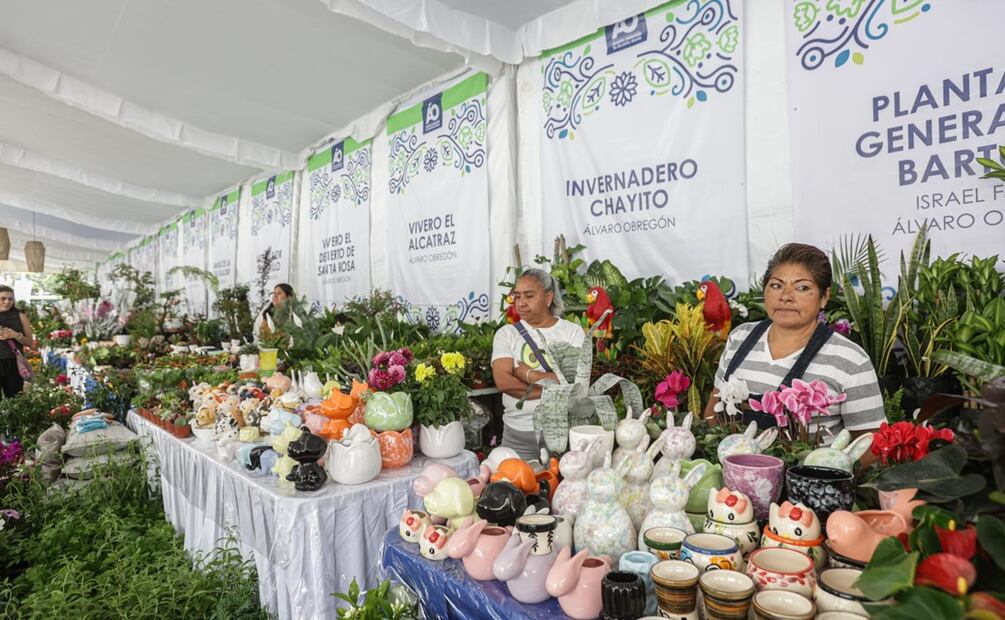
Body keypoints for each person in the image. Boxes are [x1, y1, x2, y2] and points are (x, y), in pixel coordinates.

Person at [704, 243, 886, 444]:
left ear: (824, 297)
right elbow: (714, 410)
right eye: (776, 285)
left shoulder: (850, 359)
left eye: (802, 288)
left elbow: (871, 443)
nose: (785, 297)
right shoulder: (739, 338)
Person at [491, 269, 585, 462]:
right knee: (514, 486)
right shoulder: (507, 334)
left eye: (529, 296)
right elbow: (504, 382)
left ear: (548, 297)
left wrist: (527, 374)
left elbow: (576, 384)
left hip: (562, 438)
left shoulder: (572, 333)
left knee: (561, 489)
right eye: (517, 296)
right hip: (517, 438)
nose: (521, 303)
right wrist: (554, 388)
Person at [0, 286, 33, 398]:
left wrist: (15, 335)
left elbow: (30, 343)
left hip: (14, 363)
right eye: (3, 298)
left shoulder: (20, 315)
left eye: (10, 299)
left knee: (15, 399)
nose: (7, 302)